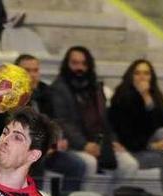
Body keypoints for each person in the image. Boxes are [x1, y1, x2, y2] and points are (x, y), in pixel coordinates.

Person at [0, 53, 87, 196]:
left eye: (35, 70)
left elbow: (54, 121)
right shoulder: (6, 95)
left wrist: (56, 142)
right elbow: (11, 128)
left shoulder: (45, 92)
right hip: (18, 149)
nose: (32, 75)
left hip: (46, 149)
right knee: (36, 159)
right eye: (27, 71)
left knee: (77, 165)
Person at [51, 46, 136, 179]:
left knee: (129, 164)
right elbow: (63, 122)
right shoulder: (58, 89)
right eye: (75, 63)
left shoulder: (95, 87)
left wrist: (113, 140)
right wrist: (83, 145)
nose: (80, 68)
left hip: (101, 142)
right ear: (67, 65)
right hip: (74, 144)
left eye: (84, 63)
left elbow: (105, 119)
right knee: (89, 163)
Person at [108, 59, 163, 195]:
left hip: (143, 148)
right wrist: (151, 146)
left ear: (151, 77)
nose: (142, 77)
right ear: (131, 76)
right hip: (130, 152)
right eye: (137, 73)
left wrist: (147, 98)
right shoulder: (122, 100)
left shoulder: (152, 96)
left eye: (146, 73)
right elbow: (127, 137)